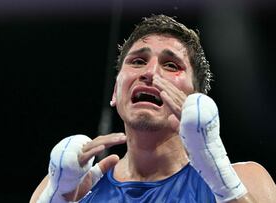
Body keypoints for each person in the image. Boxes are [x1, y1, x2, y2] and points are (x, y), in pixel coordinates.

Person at [30, 14, 276, 203]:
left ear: (196, 102)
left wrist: (223, 183)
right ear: (116, 92)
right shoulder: (64, 185)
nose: (150, 73)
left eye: (171, 65)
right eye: (138, 61)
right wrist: (58, 198)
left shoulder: (247, 180)